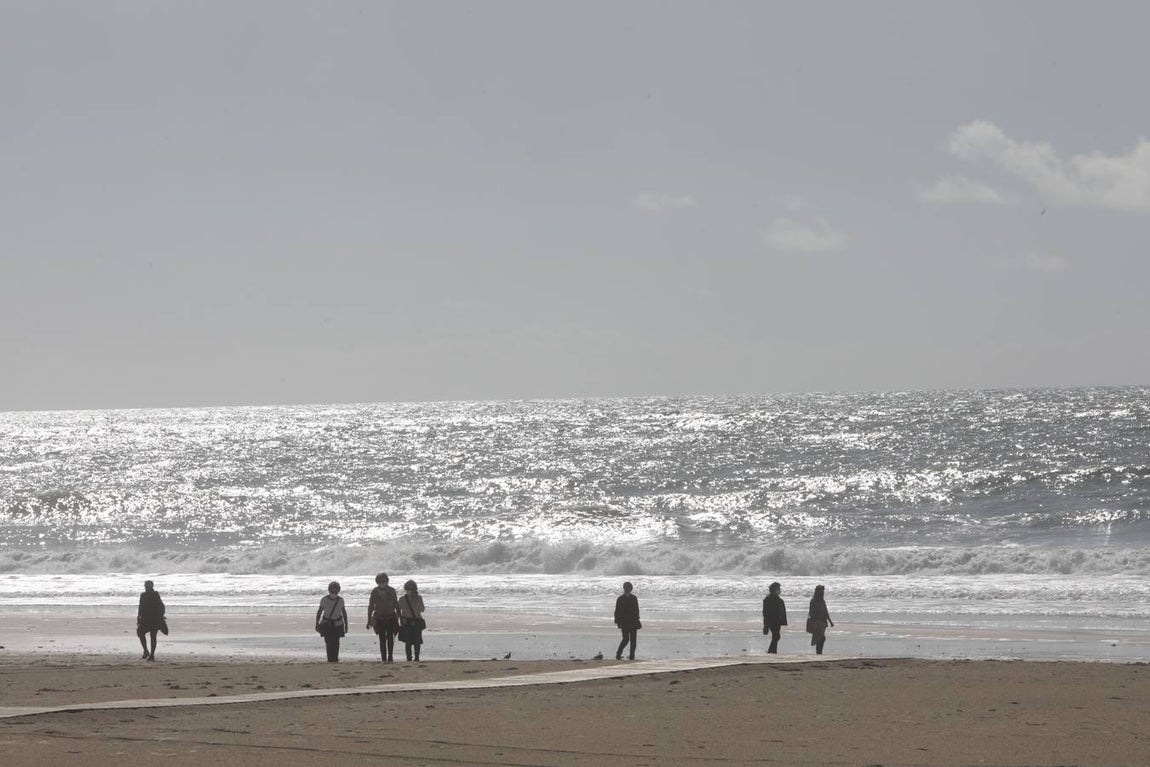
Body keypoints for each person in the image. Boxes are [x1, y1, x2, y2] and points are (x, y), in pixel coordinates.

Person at [367, 572, 400, 662]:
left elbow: (396, 604)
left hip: (390, 617)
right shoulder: (374, 592)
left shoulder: (392, 591)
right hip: (379, 618)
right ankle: (383, 657)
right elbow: (371, 606)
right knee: (381, 638)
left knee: (390, 638)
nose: (382, 583)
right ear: (377, 582)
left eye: (383, 581)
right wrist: (369, 620)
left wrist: (398, 616)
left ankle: (390, 656)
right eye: (380, 582)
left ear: (387, 581)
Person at [315, 581, 349, 662]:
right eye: (332, 591)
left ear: (338, 591)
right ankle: (330, 659)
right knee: (328, 642)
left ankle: (335, 659)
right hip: (326, 624)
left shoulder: (341, 600)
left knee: (336, 643)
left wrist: (346, 624)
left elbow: (344, 612)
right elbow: (319, 612)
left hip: (338, 623)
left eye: (336, 591)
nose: (334, 593)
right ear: (329, 590)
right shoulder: (324, 599)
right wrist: (317, 623)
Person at [136, 580, 166, 661]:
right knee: (142, 633)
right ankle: (147, 652)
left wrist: (161, 616)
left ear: (151, 586)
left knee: (149, 635)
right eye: (145, 585)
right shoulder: (146, 595)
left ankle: (150, 654)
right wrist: (138, 617)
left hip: (152, 618)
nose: (145, 587)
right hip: (150, 618)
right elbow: (141, 607)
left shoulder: (153, 594)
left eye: (146, 586)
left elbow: (160, 606)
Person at [398, 579, 426, 661]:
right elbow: (422, 609)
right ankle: (412, 658)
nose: (409, 591)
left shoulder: (403, 599)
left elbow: (422, 609)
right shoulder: (403, 599)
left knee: (410, 641)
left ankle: (413, 658)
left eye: (409, 589)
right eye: (408, 589)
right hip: (412, 621)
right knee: (412, 641)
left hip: (410, 621)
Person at [613, 581, 641, 660]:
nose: (628, 589)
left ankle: (631, 655)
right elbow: (617, 611)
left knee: (631, 640)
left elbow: (636, 610)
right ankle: (619, 654)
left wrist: (637, 620)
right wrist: (618, 622)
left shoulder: (630, 598)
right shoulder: (622, 599)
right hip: (626, 622)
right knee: (627, 639)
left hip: (630, 621)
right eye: (628, 588)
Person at [807, 584, 834, 655]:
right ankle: (819, 653)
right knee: (821, 638)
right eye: (821, 590)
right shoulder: (813, 601)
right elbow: (811, 612)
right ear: (817, 591)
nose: (823, 592)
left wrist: (830, 621)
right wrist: (814, 621)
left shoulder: (822, 601)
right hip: (817, 622)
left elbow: (826, 611)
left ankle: (819, 653)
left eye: (823, 590)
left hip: (823, 622)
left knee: (820, 638)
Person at [762, 581, 787, 654]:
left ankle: (773, 651)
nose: (780, 590)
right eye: (778, 589)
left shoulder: (770, 599)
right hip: (773, 621)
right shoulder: (772, 599)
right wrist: (765, 624)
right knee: (776, 636)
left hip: (775, 621)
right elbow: (766, 612)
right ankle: (771, 651)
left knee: (776, 636)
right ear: (775, 590)